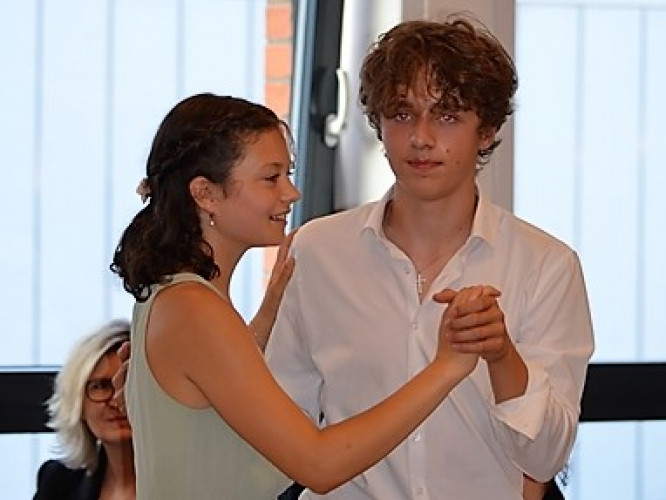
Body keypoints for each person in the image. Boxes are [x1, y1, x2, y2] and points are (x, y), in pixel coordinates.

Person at [109, 92, 505, 499]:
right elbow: (319, 464)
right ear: (206, 194)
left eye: (289, 174)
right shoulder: (194, 309)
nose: (291, 193)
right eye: (271, 178)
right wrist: (447, 366)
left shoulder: (177, 297)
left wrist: (266, 319)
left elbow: (214, 406)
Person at [265, 16, 595, 499]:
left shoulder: (547, 267)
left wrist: (501, 356)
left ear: (487, 130)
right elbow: (281, 424)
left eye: (446, 116)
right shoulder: (317, 250)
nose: (421, 137)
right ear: (378, 125)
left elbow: (545, 458)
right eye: (402, 114)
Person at [33, 319, 135, 500]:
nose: (116, 401)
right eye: (100, 386)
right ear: (78, 403)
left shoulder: (185, 482)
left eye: (128, 385)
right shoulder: (58, 482)